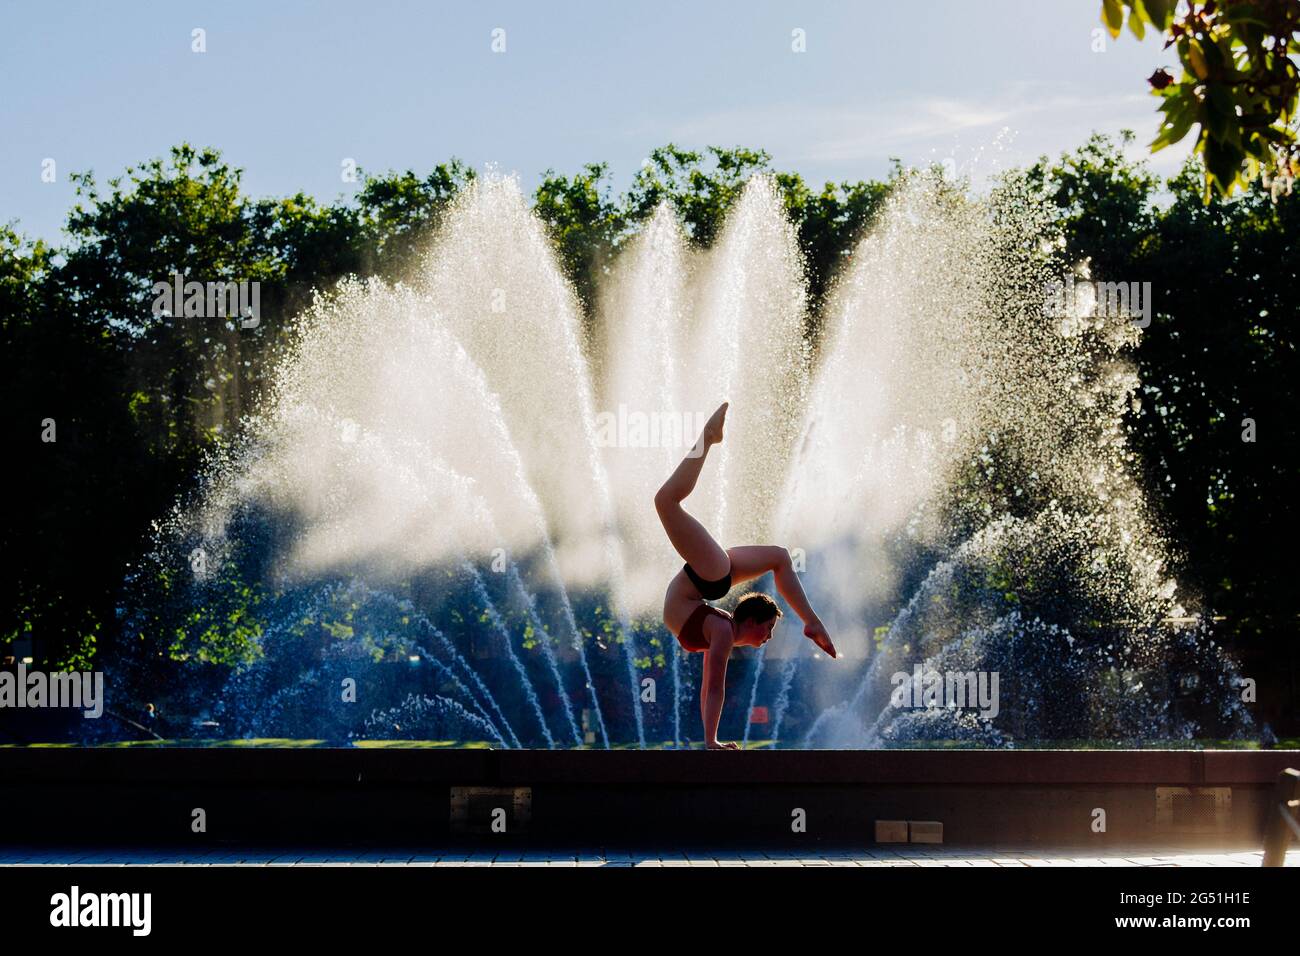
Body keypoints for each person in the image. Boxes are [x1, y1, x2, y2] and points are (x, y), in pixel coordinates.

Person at [655, 401, 837, 750]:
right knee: (666, 502)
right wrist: (712, 742)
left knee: (781, 557)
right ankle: (707, 439)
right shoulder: (722, 630)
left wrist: (711, 741)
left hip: (710, 579)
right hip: (710, 576)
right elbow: (715, 686)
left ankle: (812, 621)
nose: (768, 637)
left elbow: (711, 683)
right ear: (750, 620)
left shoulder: (721, 628)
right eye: (767, 628)